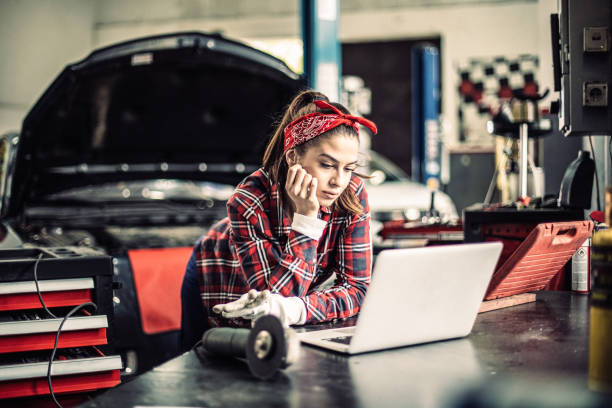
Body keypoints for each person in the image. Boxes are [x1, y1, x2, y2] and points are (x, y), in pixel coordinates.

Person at [180, 90, 377, 349]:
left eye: (349, 168)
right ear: (293, 156)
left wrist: (299, 309)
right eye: (327, 165)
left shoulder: (351, 193)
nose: (339, 181)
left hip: (285, 293)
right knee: (200, 363)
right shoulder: (248, 199)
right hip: (214, 267)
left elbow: (358, 290)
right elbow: (271, 303)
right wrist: (307, 219)